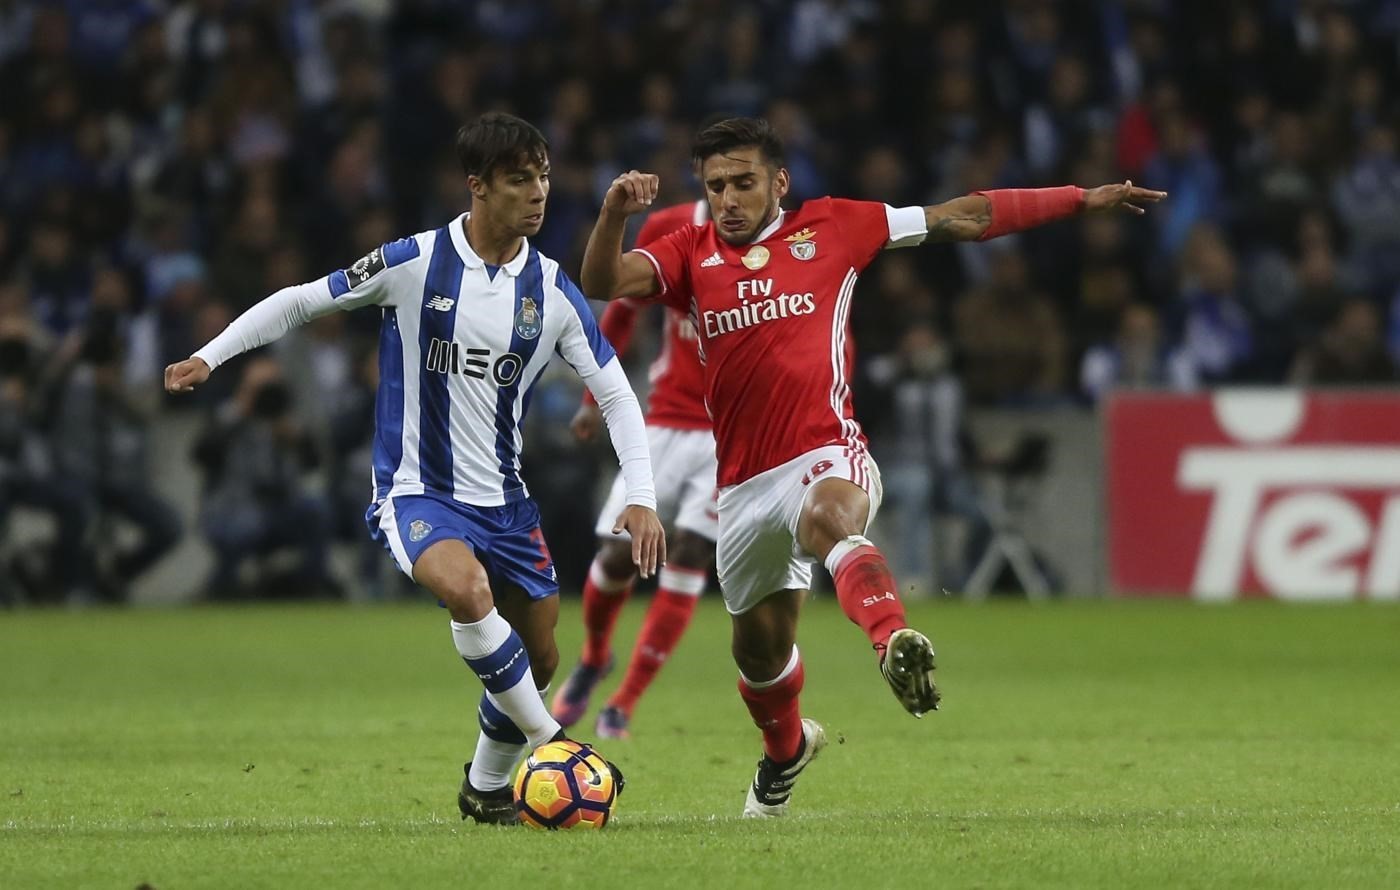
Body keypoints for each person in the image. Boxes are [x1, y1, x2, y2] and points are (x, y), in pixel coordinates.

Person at [580, 117, 1165, 818]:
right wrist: (615, 213)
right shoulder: (689, 251)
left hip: (825, 449)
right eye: (716, 186)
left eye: (744, 183)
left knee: (832, 517)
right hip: (740, 485)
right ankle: (786, 750)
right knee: (759, 655)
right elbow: (603, 281)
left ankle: (892, 642)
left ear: (779, 182)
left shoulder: (836, 227)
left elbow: (963, 217)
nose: (729, 199)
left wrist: (1078, 198)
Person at [165, 113, 665, 825]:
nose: (537, 193)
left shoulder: (552, 290)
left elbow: (615, 394)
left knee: (540, 658)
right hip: (417, 490)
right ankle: (553, 743)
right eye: (519, 179)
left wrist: (640, 495)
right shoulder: (413, 263)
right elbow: (304, 300)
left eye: (544, 177)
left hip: (507, 501)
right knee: (467, 591)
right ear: (477, 186)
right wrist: (210, 356)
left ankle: (485, 788)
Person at [551, 199, 718, 740]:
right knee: (618, 554)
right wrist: (590, 399)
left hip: (734, 432)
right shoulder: (673, 227)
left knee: (690, 552)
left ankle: (623, 702)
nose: (732, 195)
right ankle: (595, 655)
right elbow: (623, 307)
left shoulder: (783, 242)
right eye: (719, 179)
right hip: (666, 420)